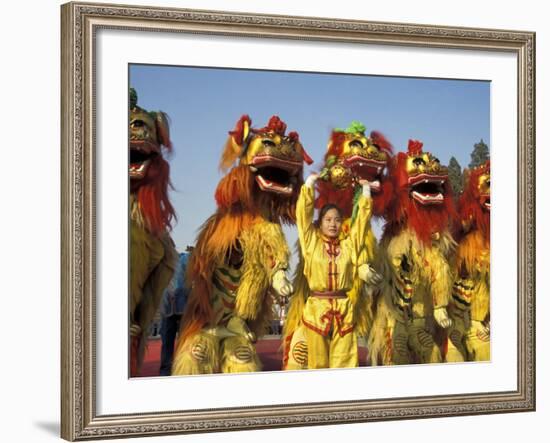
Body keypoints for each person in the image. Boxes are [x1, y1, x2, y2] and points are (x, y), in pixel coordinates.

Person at [296, 173, 373, 368]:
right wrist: (309, 185)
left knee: (345, 364)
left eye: (337, 220)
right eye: (328, 220)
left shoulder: (348, 246)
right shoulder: (311, 242)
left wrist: (365, 192)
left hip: (344, 310)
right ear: (320, 223)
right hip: (316, 310)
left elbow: (360, 227)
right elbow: (303, 217)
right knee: (318, 365)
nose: (333, 224)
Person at [159, 247, 192, 375]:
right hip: (168, 307)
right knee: (168, 340)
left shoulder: (186, 259)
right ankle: (167, 371)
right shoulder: (163, 263)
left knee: (184, 340)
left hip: (182, 305)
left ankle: (181, 369)